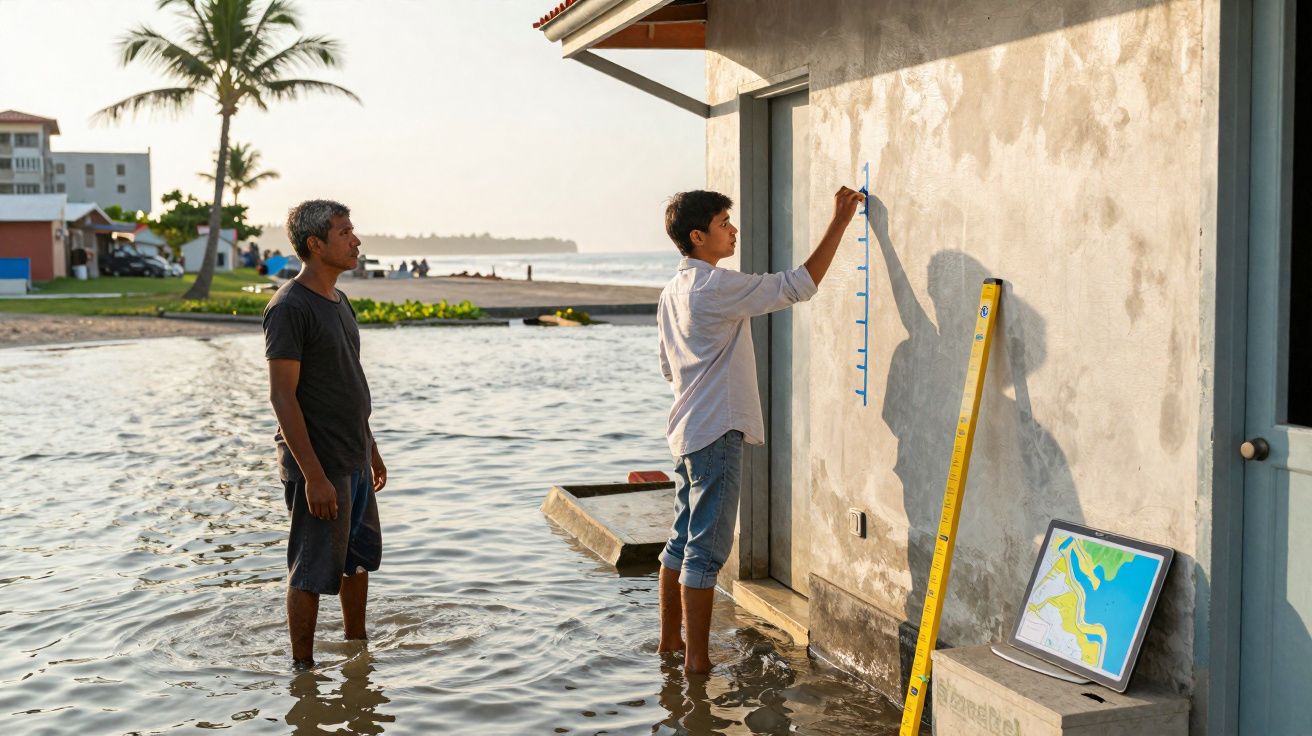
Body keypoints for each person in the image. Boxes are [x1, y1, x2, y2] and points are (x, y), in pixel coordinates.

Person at [655, 187, 865, 674]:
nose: (734, 230)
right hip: (717, 430)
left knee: (680, 541)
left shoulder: (672, 292)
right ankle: (698, 664)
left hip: (685, 430)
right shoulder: (714, 286)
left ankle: (670, 645)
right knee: (705, 553)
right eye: (725, 222)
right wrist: (839, 219)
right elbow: (799, 285)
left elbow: (668, 367)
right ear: (697, 236)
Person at [263, 199, 388, 669]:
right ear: (315, 244)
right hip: (319, 464)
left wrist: (370, 448)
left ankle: (358, 653)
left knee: (357, 561)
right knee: (312, 570)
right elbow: (283, 397)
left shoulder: (340, 300)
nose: (356, 240)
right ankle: (303, 674)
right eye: (345, 232)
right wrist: (313, 477)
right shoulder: (290, 307)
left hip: (353, 457)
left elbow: (348, 380)